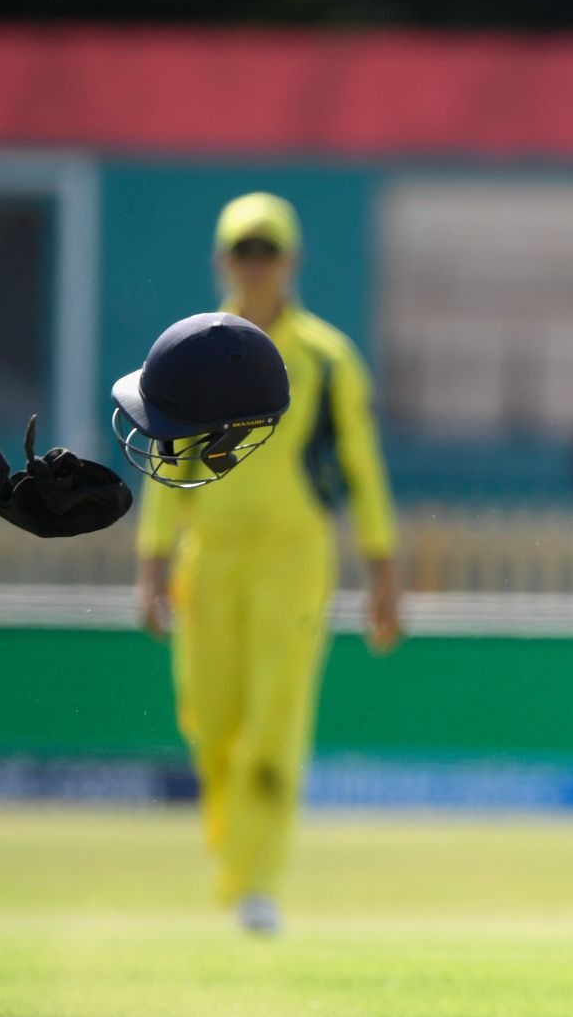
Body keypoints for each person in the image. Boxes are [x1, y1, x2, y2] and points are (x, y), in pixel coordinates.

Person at [134, 192, 402, 935]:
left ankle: (257, 881)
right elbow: (168, 459)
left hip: (294, 555)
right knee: (211, 722)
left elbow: (360, 466)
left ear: (291, 261)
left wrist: (383, 572)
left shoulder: (325, 357)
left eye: (268, 252)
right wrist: (151, 566)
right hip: (209, 555)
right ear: (224, 260)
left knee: (273, 723)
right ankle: (235, 859)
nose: (256, 266)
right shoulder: (189, 351)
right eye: (243, 252)